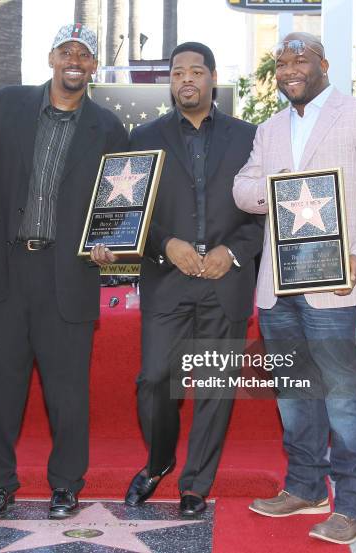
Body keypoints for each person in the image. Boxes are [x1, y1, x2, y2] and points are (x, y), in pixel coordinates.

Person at [233, 32, 356, 545]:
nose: (289, 68)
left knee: (344, 394)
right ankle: (305, 487)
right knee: (294, 392)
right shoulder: (268, 129)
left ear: (325, 65)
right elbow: (242, 190)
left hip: (336, 282)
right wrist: (279, 185)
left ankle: (353, 503)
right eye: (282, 61)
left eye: (300, 58)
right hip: (279, 286)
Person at [98, 41, 263, 517]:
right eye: (176, 73)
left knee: (215, 386)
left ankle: (196, 485)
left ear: (212, 77)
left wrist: (232, 253)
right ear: (169, 81)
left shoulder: (248, 137)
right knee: (153, 380)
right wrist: (164, 243)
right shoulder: (143, 136)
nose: (185, 79)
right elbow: (129, 211)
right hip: (167, 278)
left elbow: (262, 213)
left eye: (195, 71)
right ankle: (160, 459)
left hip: (224, 281)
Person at [0, 23, 128, 520]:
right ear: (51, 58)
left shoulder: (108, 128)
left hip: (70, 274)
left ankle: (66, 487)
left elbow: (118, 205)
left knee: (67, 395)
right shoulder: (6, 106)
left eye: (85, 54)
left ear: (94, 66)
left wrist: (113, 244)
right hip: (4, 268)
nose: (75, 60)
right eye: (67, 51)